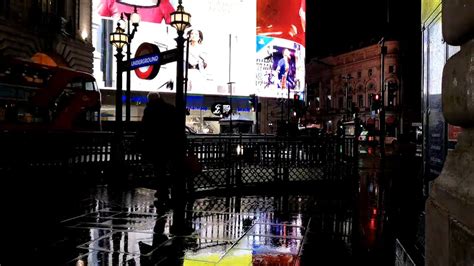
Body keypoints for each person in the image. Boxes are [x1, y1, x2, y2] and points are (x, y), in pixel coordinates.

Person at [140, 92, 180, 206]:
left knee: (159, 170)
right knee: (173, 169)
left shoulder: (149, 110)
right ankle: (174, 191)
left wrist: (138, 140)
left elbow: (144, 127)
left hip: (156, 144)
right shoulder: (170, 108)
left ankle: (163, 192)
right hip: (171, 144)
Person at [97, 0, 175, 24]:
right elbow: (97, 23)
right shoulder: (109, 1)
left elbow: (178, 26)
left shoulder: (163, 3)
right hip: (116, 53)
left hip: (149, 55)